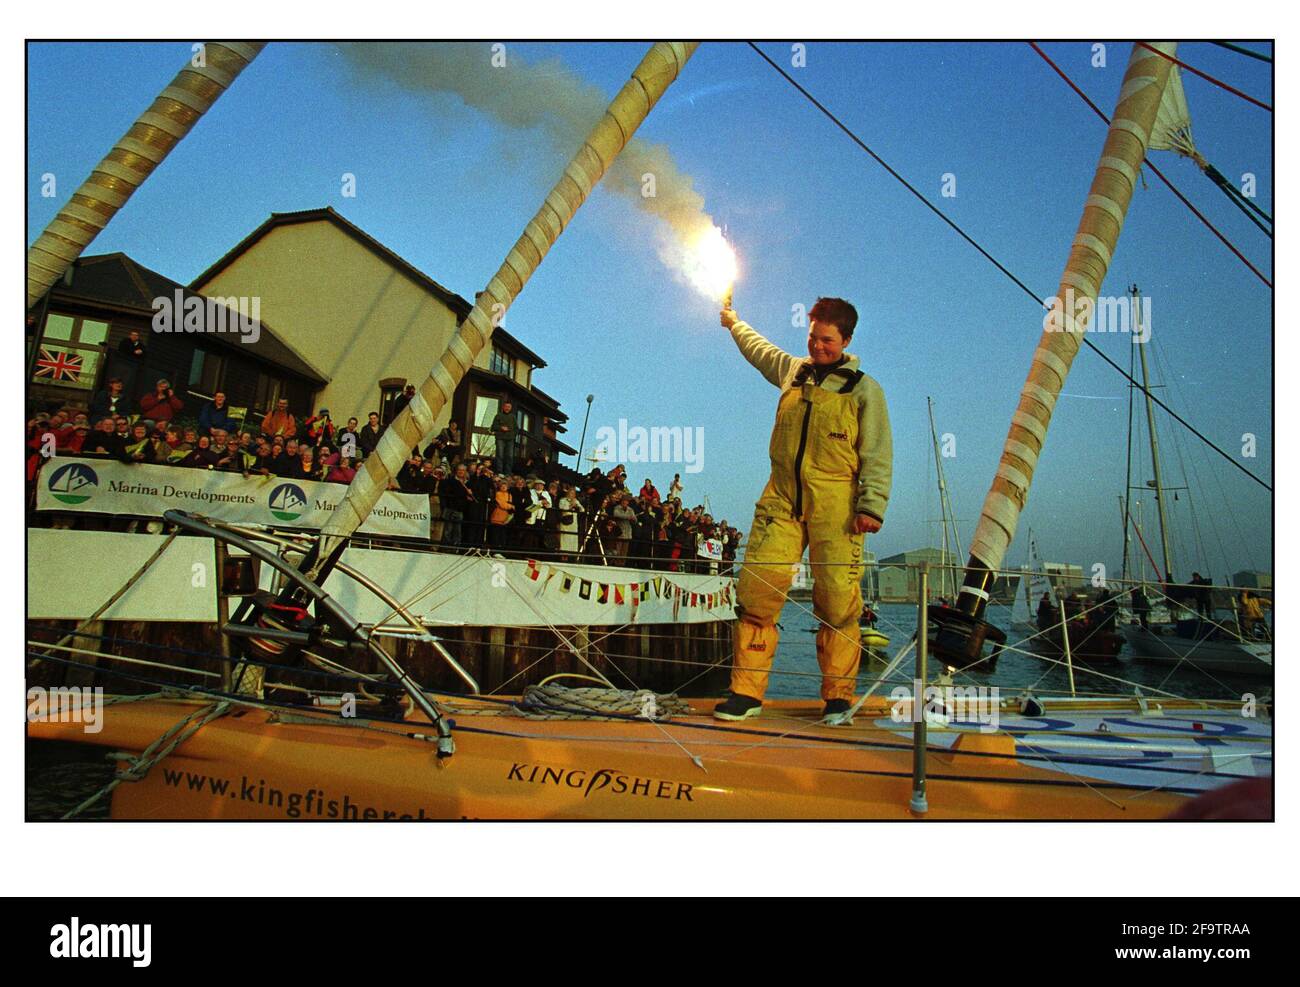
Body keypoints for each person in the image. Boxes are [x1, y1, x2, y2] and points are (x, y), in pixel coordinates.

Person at [714, 297, 892, 722]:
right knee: (758, 595)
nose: (818, 347)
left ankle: (837, 697)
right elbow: (760, 350)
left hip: (838, 506)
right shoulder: (794, 372)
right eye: (813, 337)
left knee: (836, 604)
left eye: (827, 340)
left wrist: (872, 505)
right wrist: (734, 323)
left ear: (846, 339)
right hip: (781, 499)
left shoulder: (865, 390)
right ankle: (747, 694)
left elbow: (878, 453)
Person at [492, 400, 517, 475]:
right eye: (506, 406)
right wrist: (501, 428)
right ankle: (499, 472)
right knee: (500, 455)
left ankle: (508, 473)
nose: (507, 408)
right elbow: (493, 426)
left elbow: (516, 428)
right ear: (503, 407)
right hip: (500, 438)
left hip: (510, 439)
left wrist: (513, 435)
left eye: (509, 407)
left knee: (509, 456)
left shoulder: (513, 417)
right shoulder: (498, 415)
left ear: (511, 408)